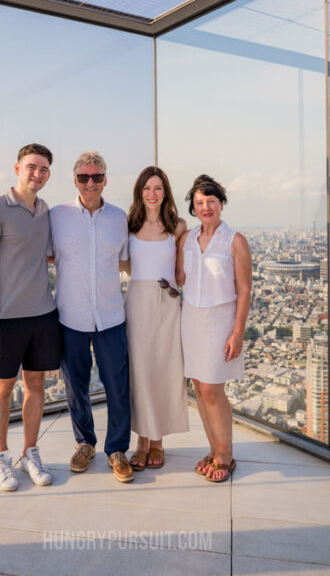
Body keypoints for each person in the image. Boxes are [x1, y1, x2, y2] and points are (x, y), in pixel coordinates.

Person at [0, 143, 62, 492]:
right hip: (7, 319)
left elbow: (53, 255)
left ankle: (30, 452)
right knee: (2, 388)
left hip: (43, 314)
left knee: (36, 387)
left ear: (48, 175)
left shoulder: (45, 211)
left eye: (42, 169)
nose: (36, 174)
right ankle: (1, 457)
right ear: (17, 169)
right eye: (31, 167)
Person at [50, 151, 134, 483]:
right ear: (74, 180)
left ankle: (117, 450)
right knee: (76, 385)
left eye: (97, 177)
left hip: (111, 315)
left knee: (118, 386)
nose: (90, 183)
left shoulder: (119, 218)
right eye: (84, 177)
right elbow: (43, 254)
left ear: (105, 180)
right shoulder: (57, 216)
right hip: (71, 315)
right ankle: (84, 443)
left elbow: (127, 261)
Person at [180, 174, 252, 483]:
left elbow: (245, 289)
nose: (206, 207)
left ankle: (225, 454)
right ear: (193, 208)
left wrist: (238, 332)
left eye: (212, 201)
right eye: (199, 203)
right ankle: (213, 449)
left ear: (221, 204)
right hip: (191, 319)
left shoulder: (235, 240)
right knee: (198, 387)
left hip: (221, 320)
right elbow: (180, 278)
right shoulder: (187, 239)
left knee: (212, 389)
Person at [124, 166, 189, 472]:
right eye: (147, 188)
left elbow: (181, 273)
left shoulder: (177, 226)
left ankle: (158, 440)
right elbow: (122, 265)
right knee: (139, 371)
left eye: (158, 188)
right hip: (137, 300)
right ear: (139, 192)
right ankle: (141, 440)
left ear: (166, 193)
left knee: (164, 369)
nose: (152, 194)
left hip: (167, 303)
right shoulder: (127, 224)